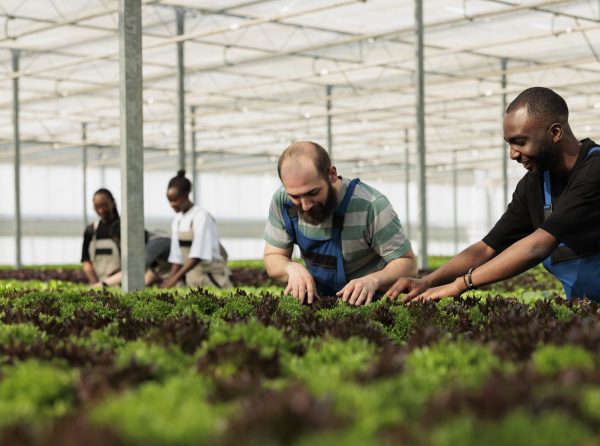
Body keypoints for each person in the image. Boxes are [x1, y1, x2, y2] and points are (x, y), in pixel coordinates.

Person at [386, 86, 600, 303]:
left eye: (521, 142)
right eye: (509, 144)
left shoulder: (595, 171)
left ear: (555, 132)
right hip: (588, 308)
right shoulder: (534, 185)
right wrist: (428, 281)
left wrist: (462, 284)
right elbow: (487, 247)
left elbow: (537, 245)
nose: (513, 154)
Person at [263, 141, 417, 305]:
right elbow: (273, 257)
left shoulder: (371, 205)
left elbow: (409, 264)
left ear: (332, 174)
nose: (306, 205)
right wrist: (290, 268)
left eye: (313, 193)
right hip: (317, 302)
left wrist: (373, 280)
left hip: (371, 304)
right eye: (295, 196)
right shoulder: (282, 201)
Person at [81, 188, 171, 288]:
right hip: (105, 282)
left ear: (113, 203)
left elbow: (136, 269)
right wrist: (96, 284)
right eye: (97, 206)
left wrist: (99, 286)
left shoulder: (131, 229)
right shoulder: (91, 230)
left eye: (104, 205)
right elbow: (86, 261)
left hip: (118, 282)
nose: (101, 210)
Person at [161, 170, 232, 289]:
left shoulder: (201, 216)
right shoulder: (177, 220)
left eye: (175, 200)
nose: (172, 205)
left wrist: (174, 279)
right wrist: (168, 281)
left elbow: (197, 255)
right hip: (193, 278)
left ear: (186, 194)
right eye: (170, 201)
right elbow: (176, 256)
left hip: (211, 277)